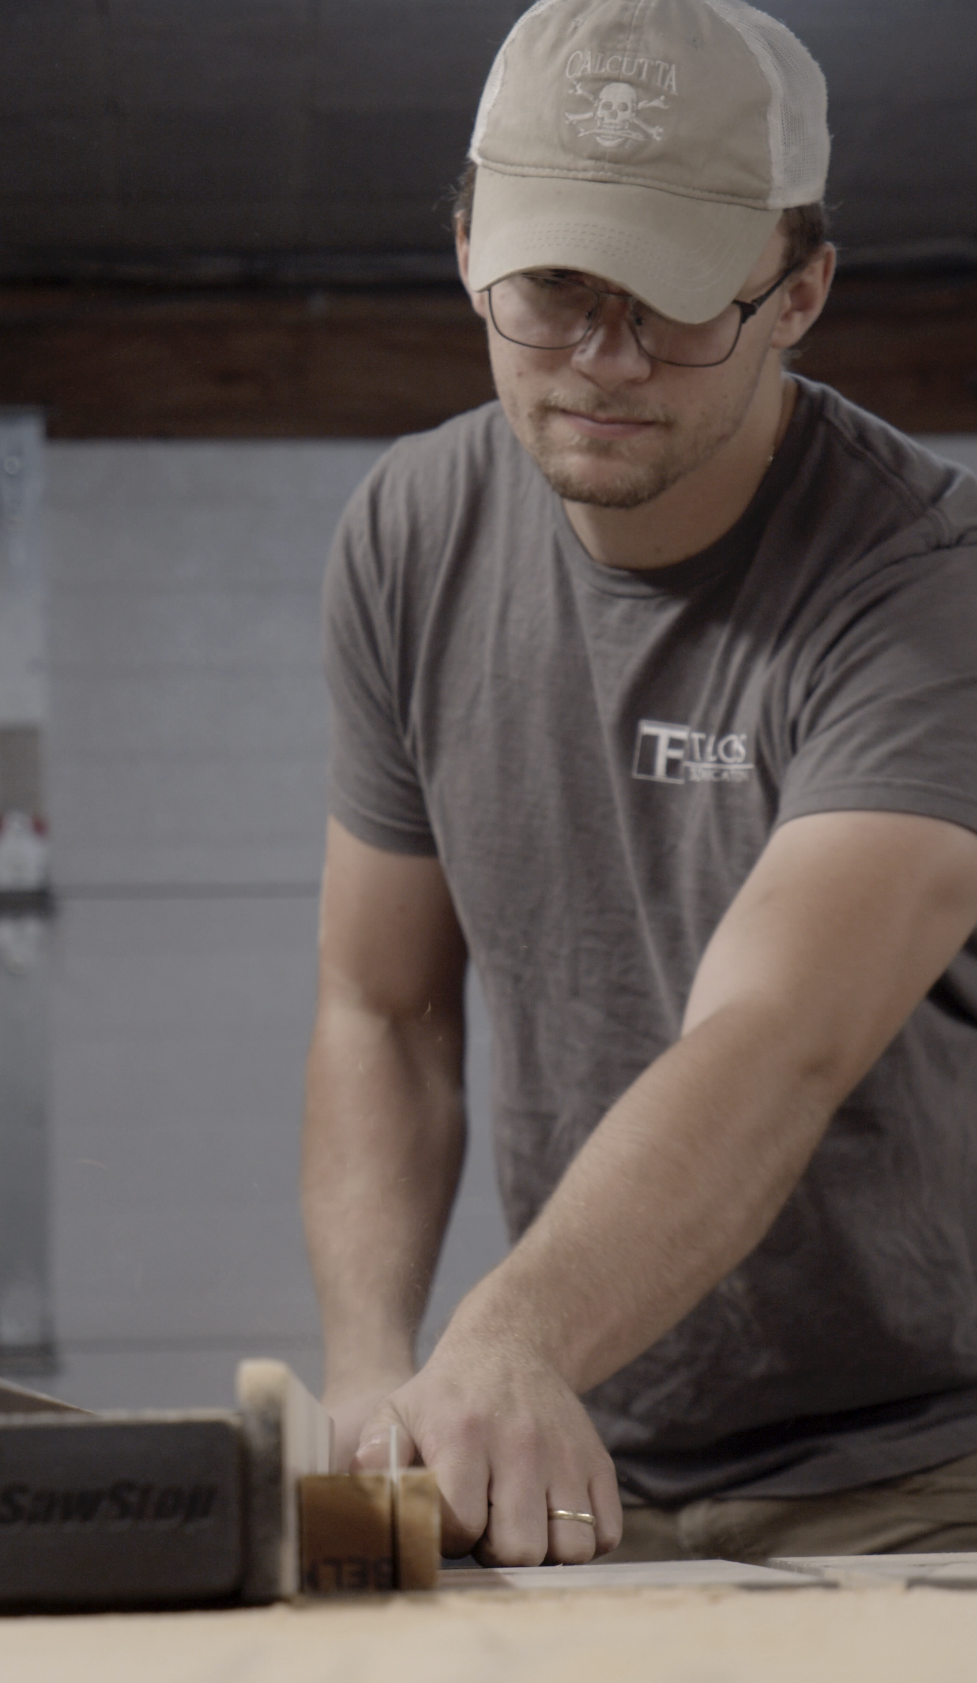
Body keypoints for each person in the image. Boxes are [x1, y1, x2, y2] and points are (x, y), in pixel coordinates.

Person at [302, 0, 977, 1568]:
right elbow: (379, 1006)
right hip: (590, 1442)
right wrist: (375, 1374)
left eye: (674, 305)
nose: (605, 361)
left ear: (800, 288)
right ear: (470, 243)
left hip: (921, 1466)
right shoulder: (410, 537)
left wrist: (514, 1326)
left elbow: (776, 1040)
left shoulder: (924, 583)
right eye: (553, 291)